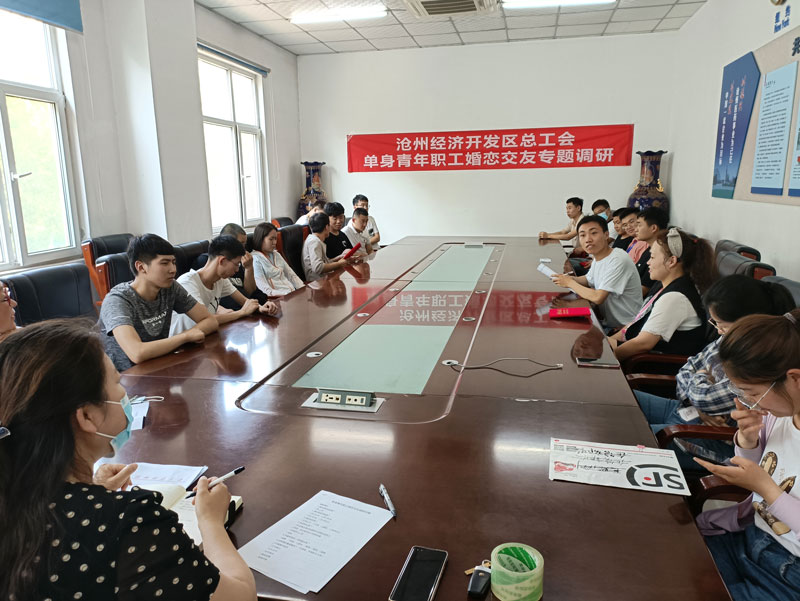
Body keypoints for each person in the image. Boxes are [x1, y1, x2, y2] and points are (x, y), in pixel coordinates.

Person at [0, 320, 256, 601]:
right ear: (87, 416)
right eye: (117, 382)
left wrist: (90, 492)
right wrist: (211, 521)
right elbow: (242, 596)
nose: (125, 394)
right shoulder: (130, 522)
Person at [634, 275, 795, 471]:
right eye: (716, 324)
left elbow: (704, 398)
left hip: (707, 434)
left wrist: (700, 380)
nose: (718, 331)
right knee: (618, 404)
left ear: (745, 321)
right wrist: (700, 395)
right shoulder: (729, 338)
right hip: (687, 411)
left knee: (629, 439)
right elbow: (686, 368)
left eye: (722, 325)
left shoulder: (761, 362)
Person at [693, 309, 800, 601]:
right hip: (753, 538)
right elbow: (759, 468)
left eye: (753, 392)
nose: (750, 402)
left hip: (790, 575)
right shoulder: (781, 414)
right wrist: (748, 440)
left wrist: (765, 487)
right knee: (671, 564)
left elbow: (762, 482)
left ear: (794, 378)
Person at [98, 234, 218, 372]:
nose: (173, 269)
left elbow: (210, 321)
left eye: (173, 262)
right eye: (164, 263)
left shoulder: (170, 287)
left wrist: (187, 335)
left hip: (157, 367)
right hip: (123, 377)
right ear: (141, 267)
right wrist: (185, 337)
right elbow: (137, 353)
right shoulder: (117, 300)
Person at [610, 228, 716, 362]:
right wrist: (609, 341)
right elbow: (634, 325)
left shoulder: (676, 298)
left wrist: (609, 359)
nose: (648, 262)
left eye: (652, 257)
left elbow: (643, 344)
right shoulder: (663, 285)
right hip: (636, 350)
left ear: (671, 261)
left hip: (651, 364)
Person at [170, 235, 278, 335]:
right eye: (236, 264)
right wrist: (241, 313)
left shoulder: (220, 279)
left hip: (204, 337)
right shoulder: (187, 283)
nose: (237, 270)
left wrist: (261, 308)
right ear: (222, 260)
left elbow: (245, 301)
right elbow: (206, 320)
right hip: (181, 344)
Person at [552, 215, 642, 330]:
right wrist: (565, 279)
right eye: (582, 235)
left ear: (606, 235)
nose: (588, 239)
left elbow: (598, 297)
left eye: (593, 233)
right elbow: (588, 279)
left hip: (625, 328)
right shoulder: (599, 256)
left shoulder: (618, 259)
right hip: (608, 322)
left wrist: (570, 283)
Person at [251, 222, 305, 296]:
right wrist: (287, 294)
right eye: (271, 239)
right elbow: (264, 289)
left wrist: (303, 289)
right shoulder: (255, 259)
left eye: (275, 239)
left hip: (291, 293)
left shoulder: (276, 254)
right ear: (260, 239)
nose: (275, 242)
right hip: (277, 298)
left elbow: (291, 275)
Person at [302, 212, 354, 282]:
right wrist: (339, 264)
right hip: (317, 283)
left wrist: (339, 257)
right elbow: (318, 267)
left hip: (324, 279)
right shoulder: (314, 242)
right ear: (327, 227)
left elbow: (324, 263)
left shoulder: (315, 239)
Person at [632, 207, 669, 296]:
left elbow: (643, 290)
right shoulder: (649, 249)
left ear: (653, 228)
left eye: (639, 225)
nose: (636, 229)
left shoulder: (659, 255)